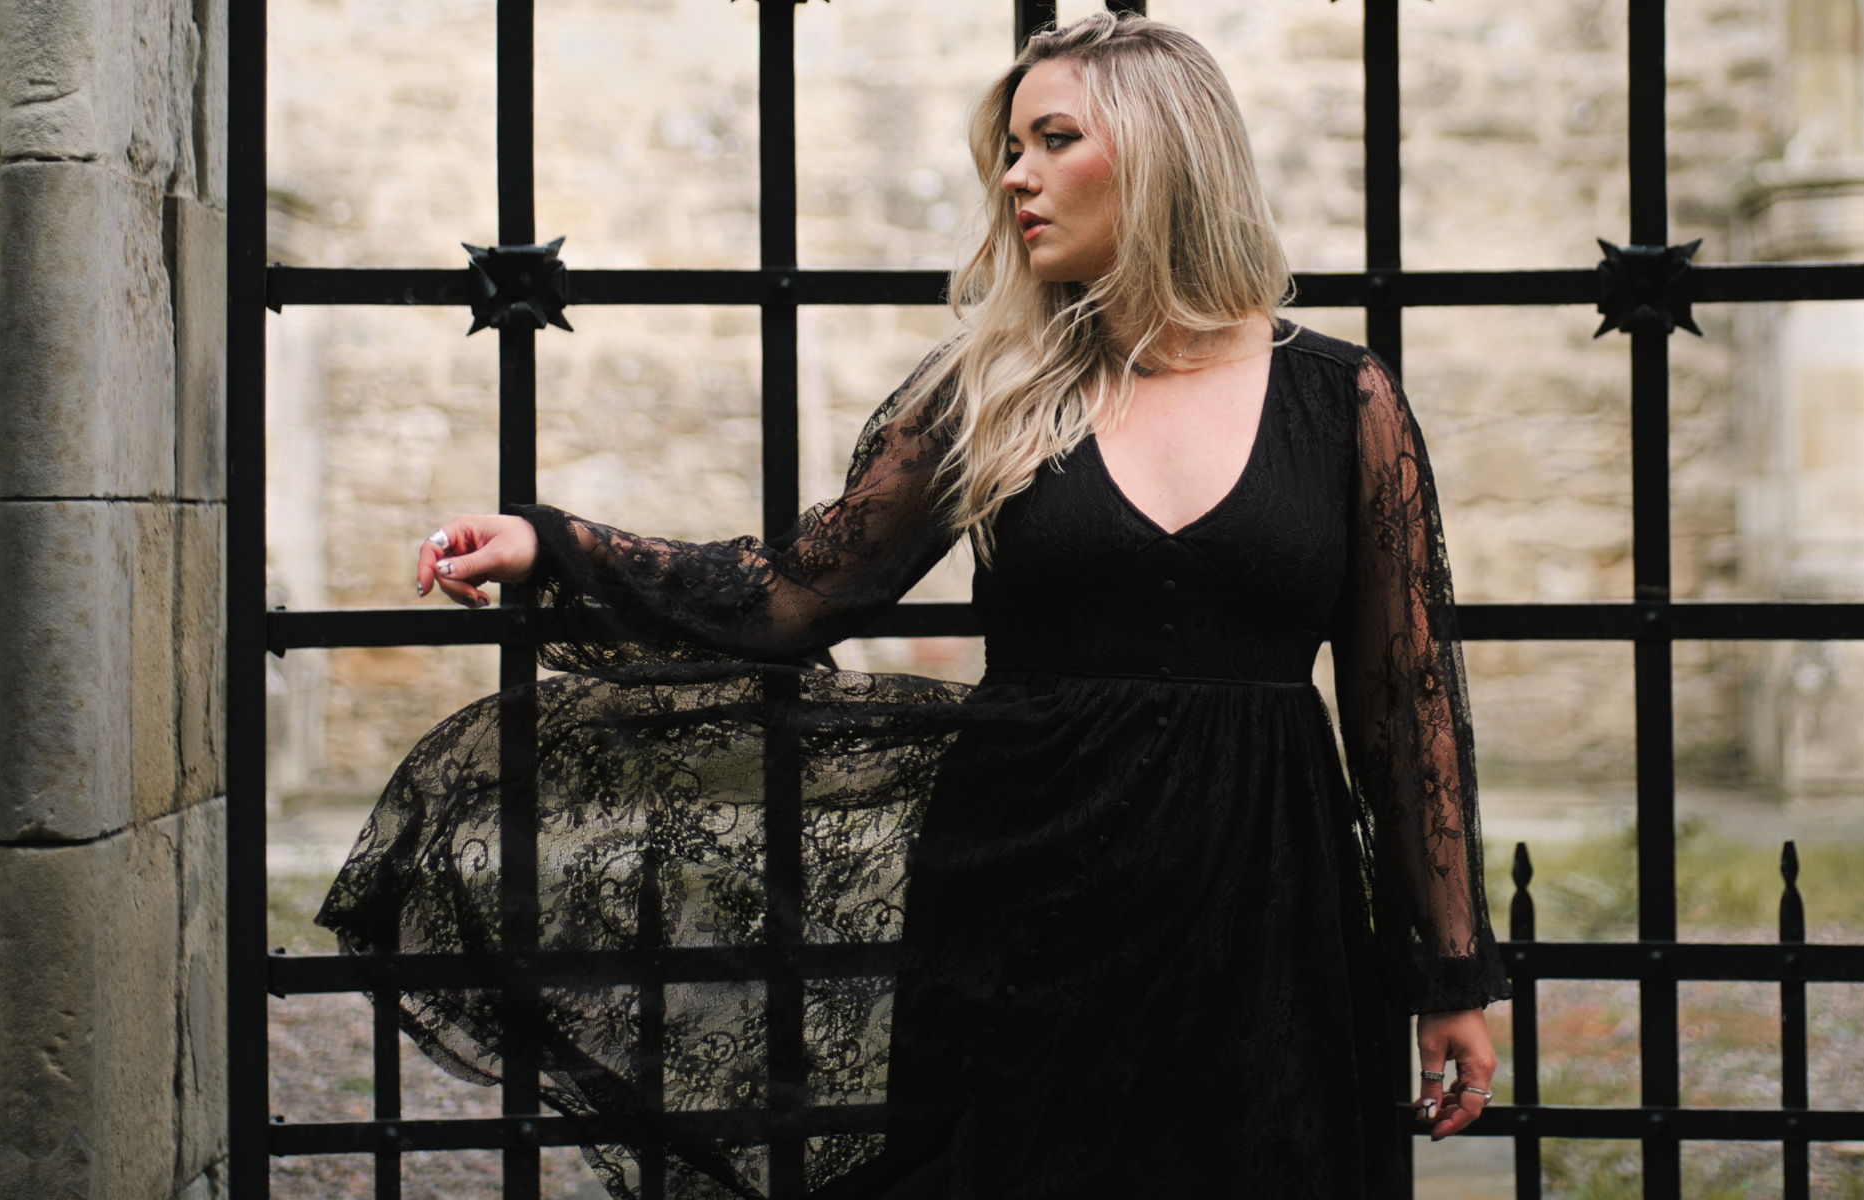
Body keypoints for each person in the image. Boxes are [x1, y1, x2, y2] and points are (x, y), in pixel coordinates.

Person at [321, 12, 1507, 1198]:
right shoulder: (988, 391)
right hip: (1027, 889)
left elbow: (1405, 709)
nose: (1014, 178)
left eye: (1051, 140)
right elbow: (790, 594)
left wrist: (1452, 976)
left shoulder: (1341, 400)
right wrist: (557, 546)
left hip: (1267, 899)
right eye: (1008, 146)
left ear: (1160, 155)